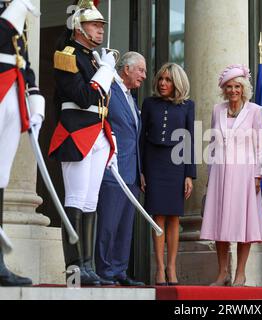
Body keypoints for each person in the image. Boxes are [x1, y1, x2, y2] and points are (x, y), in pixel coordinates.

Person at [48, 0, 118, 286]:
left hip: (97, 133)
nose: (100, 30)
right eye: (94, 25)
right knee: (75, 200)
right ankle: (74, 269)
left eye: (101, 25)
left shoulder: (91, 58)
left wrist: (109, 134)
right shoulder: (67, 55)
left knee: (91, 202)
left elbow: (101, 105)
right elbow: (84, 97)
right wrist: (106, 71)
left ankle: (87, 267)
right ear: (79, 27)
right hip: (76, 132)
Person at [200, 64, 262, 287]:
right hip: (220, 173)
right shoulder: (217, 110)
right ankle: (222, 274)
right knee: (219, 223)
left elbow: (260, 146)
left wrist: (258, 175)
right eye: (229, 87)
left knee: (243, 223)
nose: (233, 90)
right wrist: (210, 175)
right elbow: (212, 144)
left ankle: (240, 273)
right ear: (224, 89)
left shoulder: (256, 111)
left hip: (245, 174)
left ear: (244, 88)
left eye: (237, 86)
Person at [0, 0, 44, 286]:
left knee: (1, 177)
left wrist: (34, 97)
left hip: (13, 92)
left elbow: (22, 58)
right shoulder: (12, 12)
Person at [140, 63, 196, 286]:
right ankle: (159, 269)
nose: (163, 83)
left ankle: (172, 267)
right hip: (153, 164)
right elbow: (141, 139)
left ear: (177, 83)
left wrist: (189, 174)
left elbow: (190, 140)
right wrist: (141, 170)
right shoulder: (149, 103)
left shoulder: (187, 106)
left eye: (168, 80)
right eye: (161, 79)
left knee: (174, 217)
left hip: (176, 165)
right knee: (158, 217)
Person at [95, 52, 146, 286]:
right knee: (108, 223)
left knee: (125, 227)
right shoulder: (111, 90)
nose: (144, 76)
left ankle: (119, 270)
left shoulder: (130, 98)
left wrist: (140, 171)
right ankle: (104, 271)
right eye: (141, 71)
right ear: (126, 69)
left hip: (132, 174)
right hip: (112, 169)